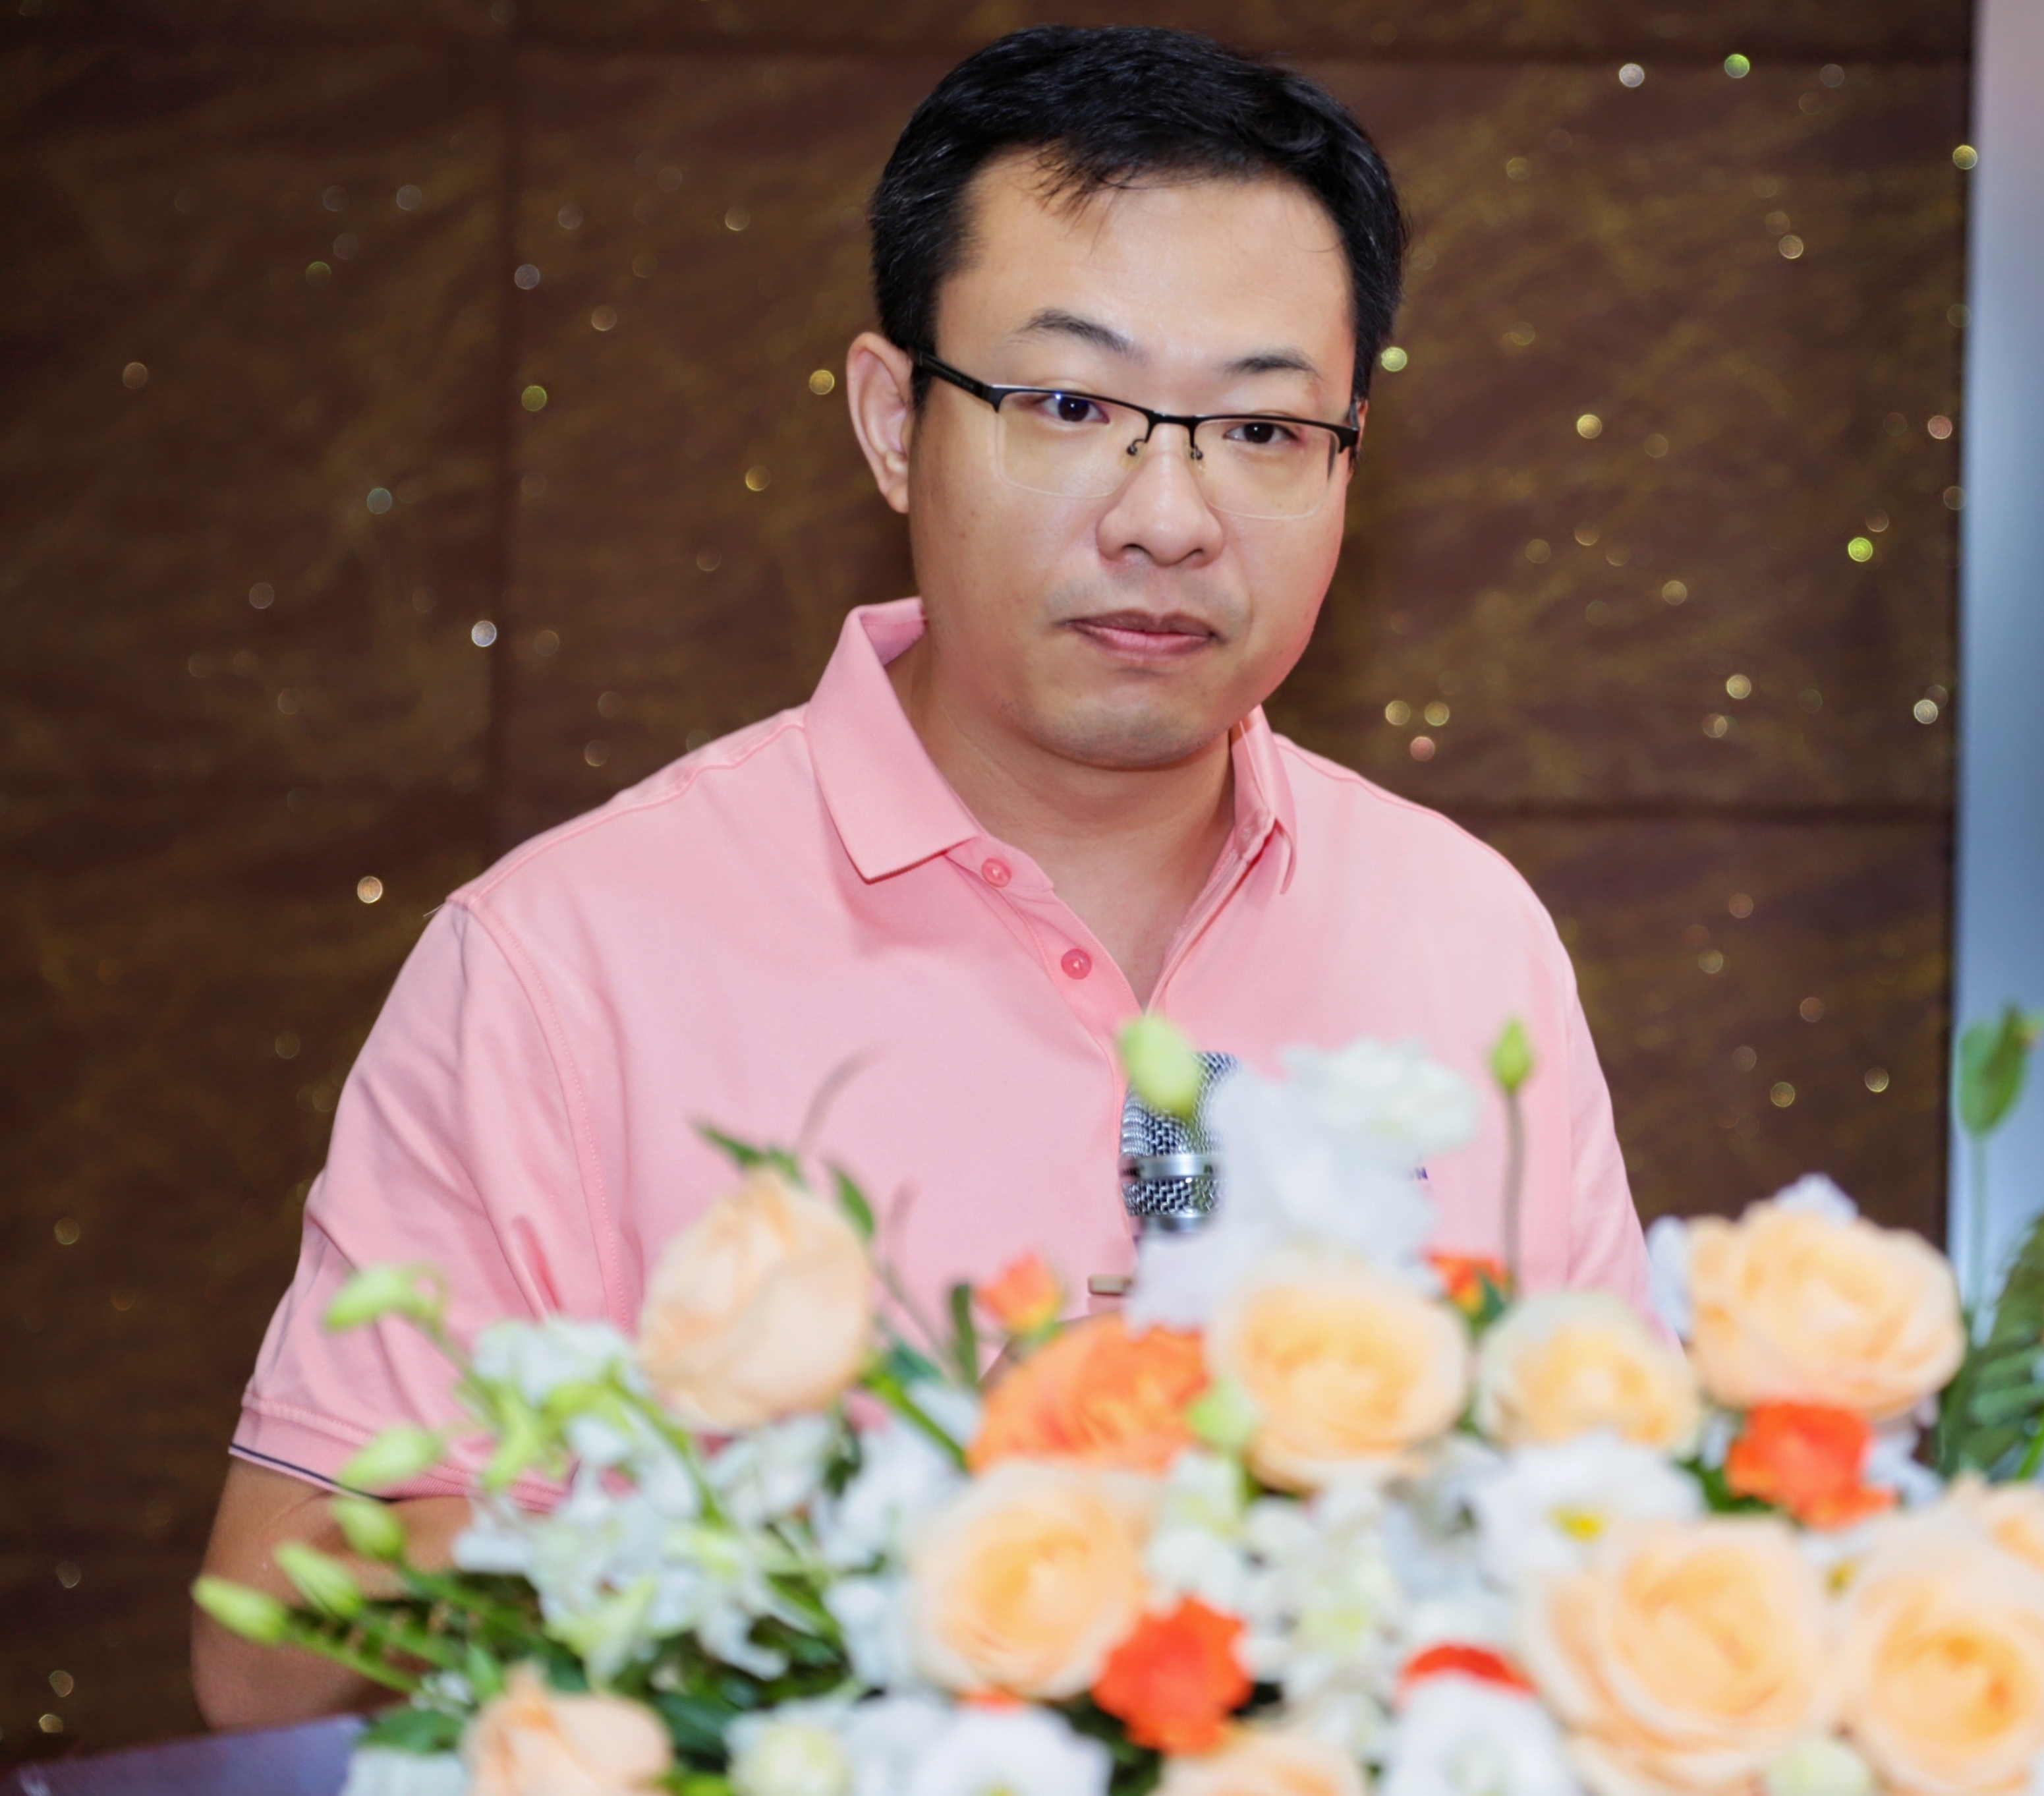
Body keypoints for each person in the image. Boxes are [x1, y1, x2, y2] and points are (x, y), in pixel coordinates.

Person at [192, 23, 1650, 1726]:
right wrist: (862, 1556)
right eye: (1072, 405)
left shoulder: (1464, 936)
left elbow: (1634, 1552)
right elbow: (273, 1651)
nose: (1168, 515)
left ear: (1348, 461)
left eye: (1262, 428)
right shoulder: (565, 960)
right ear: (896, 422)